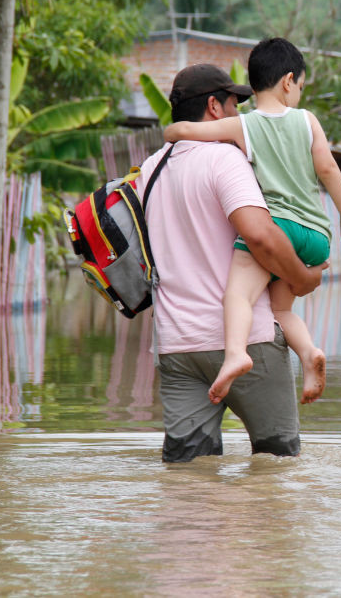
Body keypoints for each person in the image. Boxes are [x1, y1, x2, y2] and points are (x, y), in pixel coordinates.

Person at [138, 63, 326, 462]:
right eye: (234, 104)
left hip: (177, 344)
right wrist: (304, 278)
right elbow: (259, 234)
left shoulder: (149, 170)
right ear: (213, 107)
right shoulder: (225, 160)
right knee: (278, 467)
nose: (241, 114)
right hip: (245, 344)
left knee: (189, 473)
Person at [163, 38, 341, 406]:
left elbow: (190, 132)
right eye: (300, 86)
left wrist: (170, 132)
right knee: (281, 310)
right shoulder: (307, 121)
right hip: (317, 235)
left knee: (238, 294)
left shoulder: (245, 126)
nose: (299, 93)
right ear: (288, 81)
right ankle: (308, 352)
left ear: (252, 85)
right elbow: (329, 169)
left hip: (277, 228)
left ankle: (236, 353)